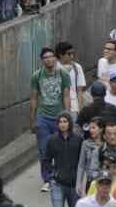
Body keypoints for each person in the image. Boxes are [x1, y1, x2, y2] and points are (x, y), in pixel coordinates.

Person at [32, 47, 74, 191]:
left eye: (51, 56)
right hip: (42, 116)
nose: (49, 59)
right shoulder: (37, 76)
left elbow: (66, 95)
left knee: (61, 148)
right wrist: (33, 119)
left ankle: (61, 175)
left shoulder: (63, 74)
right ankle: (48, 178)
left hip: (58, 117)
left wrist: (67, 116)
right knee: (44, 150)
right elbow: (33, 97)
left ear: (55, 59)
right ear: (42, 60)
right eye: (45, 57)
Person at [47, 114, 85, 207]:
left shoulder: (78, 139)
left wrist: (81, 181)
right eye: (60, 122)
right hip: (57, 183)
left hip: (74, 184)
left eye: (65, 121)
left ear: (70, 123)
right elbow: (46, 159)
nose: (62, 124)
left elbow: (82, 161)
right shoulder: (52, 140)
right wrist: (51, 174)